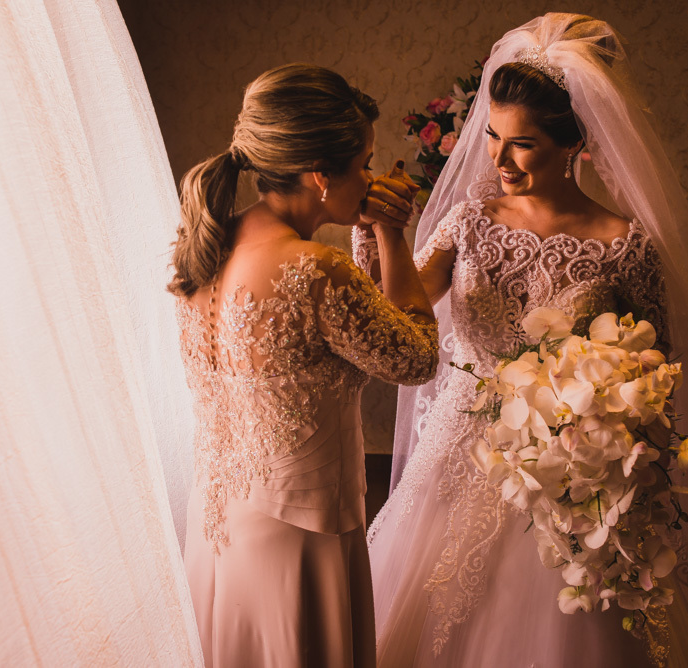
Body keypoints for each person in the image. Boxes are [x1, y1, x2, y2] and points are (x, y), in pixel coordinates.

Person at [355, 14, 688, 667]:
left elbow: (657, 376)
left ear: (575, 143)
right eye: (493, 136)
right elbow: (401, 311)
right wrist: (381, 234)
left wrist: (611, 450)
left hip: (574, 468)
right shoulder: (470, 219)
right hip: (459, 452)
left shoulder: (624, 246)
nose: (497, 159)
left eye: (522, 144)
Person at [169, 63, 439, 667]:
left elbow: (355, 335)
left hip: (219, 531)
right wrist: (392, 234)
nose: (371, 177)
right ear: (321, 175)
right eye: (365, 162)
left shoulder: (209, 245)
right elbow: (417, 357)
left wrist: (368, 233)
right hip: (300, 539)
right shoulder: (314, 268)